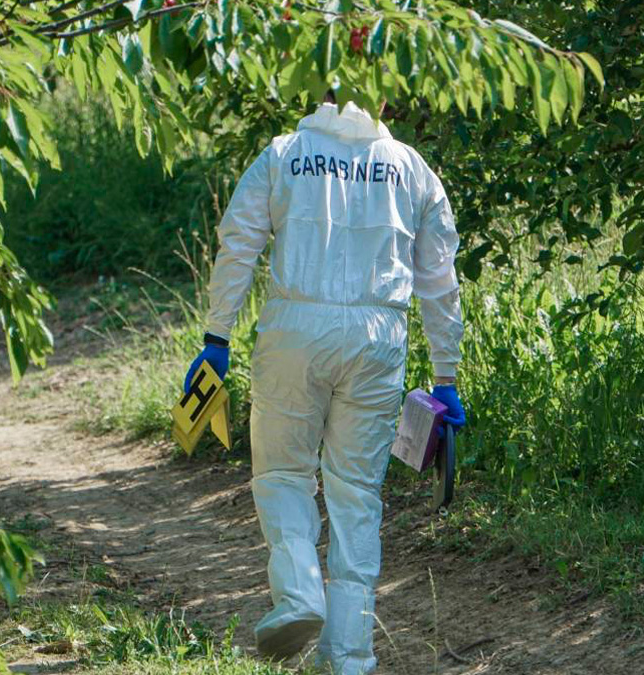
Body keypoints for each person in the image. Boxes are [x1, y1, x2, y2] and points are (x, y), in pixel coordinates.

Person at [183, 93, 466, 675]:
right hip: (377, 334)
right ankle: (351, 657)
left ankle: (298, 596)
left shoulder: (284, 154)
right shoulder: (410, 167)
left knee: (284, 472)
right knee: (357, 496)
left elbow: (237, 243)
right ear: (382, 97)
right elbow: (439, 279)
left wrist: (217, 334)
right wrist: (446, 374)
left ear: (316, 91)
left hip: (294, 329)